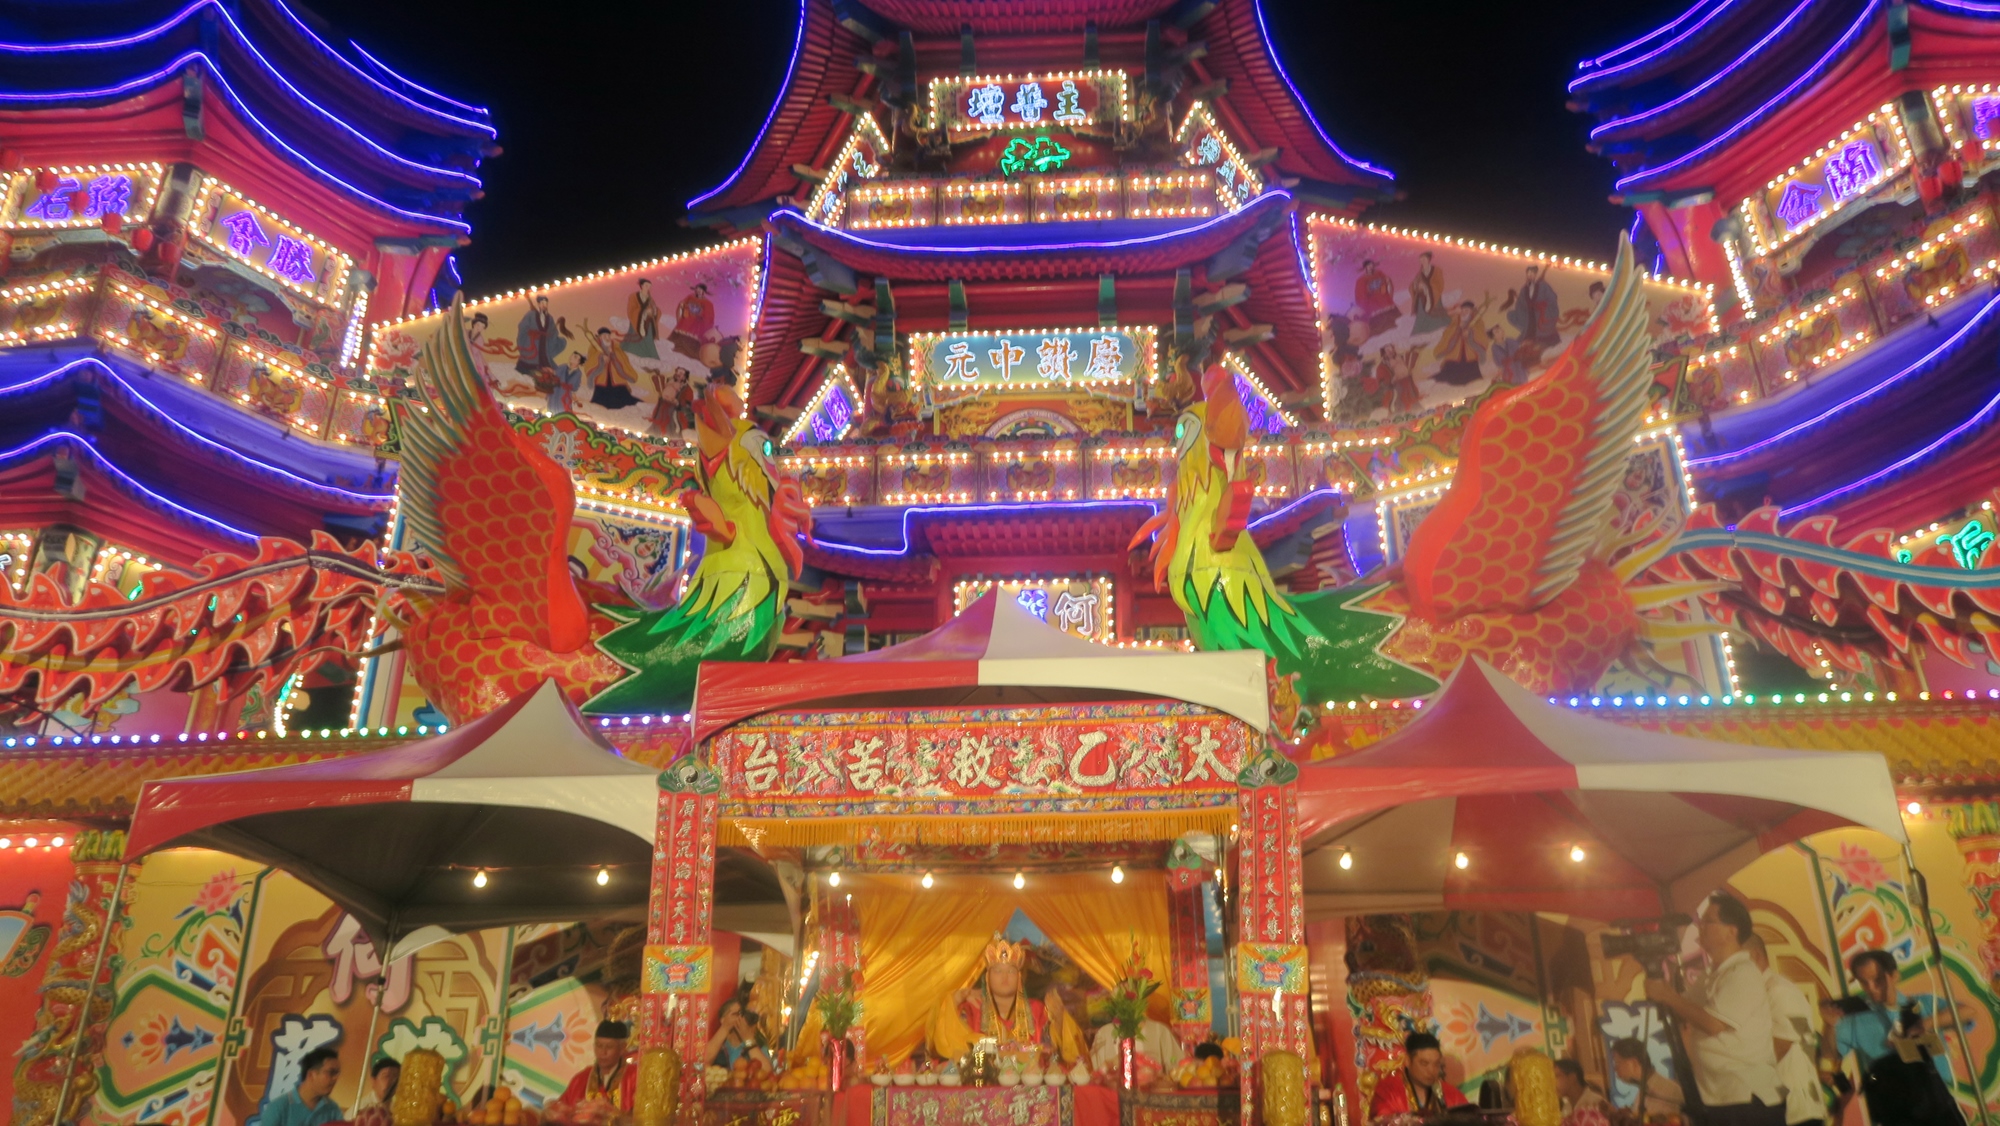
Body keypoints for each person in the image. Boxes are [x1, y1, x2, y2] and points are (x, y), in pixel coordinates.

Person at [1644, 893, 1784, 1125]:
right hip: (1720, 1096)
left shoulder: (1742, 972)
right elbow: (1684, 1009)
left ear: (1731, 931)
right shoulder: (1712, 974)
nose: (1700, 927)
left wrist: (1667, 995)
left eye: (1708, 921)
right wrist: (1659, 985)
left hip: (1748, 1097)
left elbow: (1713, 1024)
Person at [1821, 950, 1962, 1126]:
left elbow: (1968, 1012)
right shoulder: (1856, 1019)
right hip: (1894, 1107)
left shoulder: (1923, 1003)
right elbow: (1830, 1055)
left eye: (1878, 980)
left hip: (1936, 1100)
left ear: (1894, 976)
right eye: (1864, 982)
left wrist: (1927, 1023)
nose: (1871, 988)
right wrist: (1829, 1026)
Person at [929, 935, 1086, 1064]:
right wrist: (957, 998)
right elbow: (949, 1046)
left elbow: (1058, 1052)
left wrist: (1060, 1020)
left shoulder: (1037, 1010)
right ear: (987, 977)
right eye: (998, 971)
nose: (1005, 977)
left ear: (1021, 977)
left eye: (1011, 971)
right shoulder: (972, 1008)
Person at [1746, 935, 1827, 1126]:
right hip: (1773, 1108)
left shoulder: (1779, 990)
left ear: (1755, 955)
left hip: (1796, 1109)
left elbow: (1781, 1046)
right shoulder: (1755, 993)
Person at [550, 1020, 638, 1121]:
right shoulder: (581, 1079)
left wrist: (610, 1113)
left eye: (609, 1047)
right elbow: (562, 1110)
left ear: (622, 1048)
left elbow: (643, 1118)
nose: (603, 1052)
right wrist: (556, 1110)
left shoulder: (635, 1077)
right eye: (599, 1046)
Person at [1367, 1031, 1469, 1117]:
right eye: (1424, 1063)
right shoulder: (1388, 1092)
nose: (1431, 1071)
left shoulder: (1453, 1096)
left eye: (1436, 1064)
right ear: (1408, 1061)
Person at [264, 1047, 344, 1126]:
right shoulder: (278, 1108)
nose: (335, 1078)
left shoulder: (333, 1109)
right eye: (331, 1072)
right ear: (311, 1074)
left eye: (337, 1073)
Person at [1609, 1037, 1686, 1118]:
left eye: (1617, 1062)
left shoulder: (1667, 1090)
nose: (1615, 1069)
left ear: (1633, 1063)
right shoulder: (1645, 1088)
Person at [1088, 1015, 1185, 1075]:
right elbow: (1094, 1073)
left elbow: (1177, 1068)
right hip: (1112, 1097)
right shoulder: (1105, 1033)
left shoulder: (1159, 1031)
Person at [1431, 298, 1491, 386]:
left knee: (1472, 377)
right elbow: (1448, 334)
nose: (1464, 312)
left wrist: (1470, 333)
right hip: (1454, 357)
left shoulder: (1477, 322)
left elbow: (1482, 336)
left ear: (1471, 311)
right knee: (1448, 376)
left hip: (1470, 358)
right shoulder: (1455, 321)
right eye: (1462, 310)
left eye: (1466, 310)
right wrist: (1457, 330)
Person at [705, 998, 772, 1070]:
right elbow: (701, 1063)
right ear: (723, 1019)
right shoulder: (719, 1045)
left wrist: (748, 1040)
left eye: (742, 1014)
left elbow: (767, 1071)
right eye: (736, 1014)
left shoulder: (759, 1045)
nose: (740, 1018)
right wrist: (725, 1028)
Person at [516, 295, 563, 378]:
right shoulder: (531, 314)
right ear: (538, 304)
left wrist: (550, 335)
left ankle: (545, 372)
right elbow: (522, 327)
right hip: (532, 342)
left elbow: (553, 331)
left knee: (545, 359)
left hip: (544, 343)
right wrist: (531, 334)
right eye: (542, 303)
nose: (544, 305)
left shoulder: (549, 318)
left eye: (546, 303)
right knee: (530, 360)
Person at [1352, 259, 1400, 336]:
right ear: (1365, 267)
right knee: (1376, 315)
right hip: (1372, 300)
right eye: (1369, 266)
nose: (1371, 267)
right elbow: (1361, 294)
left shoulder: (1379, 273)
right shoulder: (1361, 280)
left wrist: (1385, 286)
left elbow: (1386, 282)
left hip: (1383, 297)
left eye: (1372, 265)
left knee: (1389, 311)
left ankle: (1392, 325)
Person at [353, 1057, 400, 1126]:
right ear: (373, 1081)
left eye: (396, 1077)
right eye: (386, 1076)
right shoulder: (361, 1109)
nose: (392, 1081)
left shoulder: (399, 1109)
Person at [624, 278, 662, 360]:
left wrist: (654, 311)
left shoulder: (650, 299)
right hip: (637, 321)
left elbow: (655, 309)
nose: (648, 288)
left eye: (649, 286)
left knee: (648, 338)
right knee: (634, 337)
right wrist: (644, 312)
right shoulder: (634, 296)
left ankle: (651, 354)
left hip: (648, 322)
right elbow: (631, 310)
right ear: (641, 286)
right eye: (646, 286)